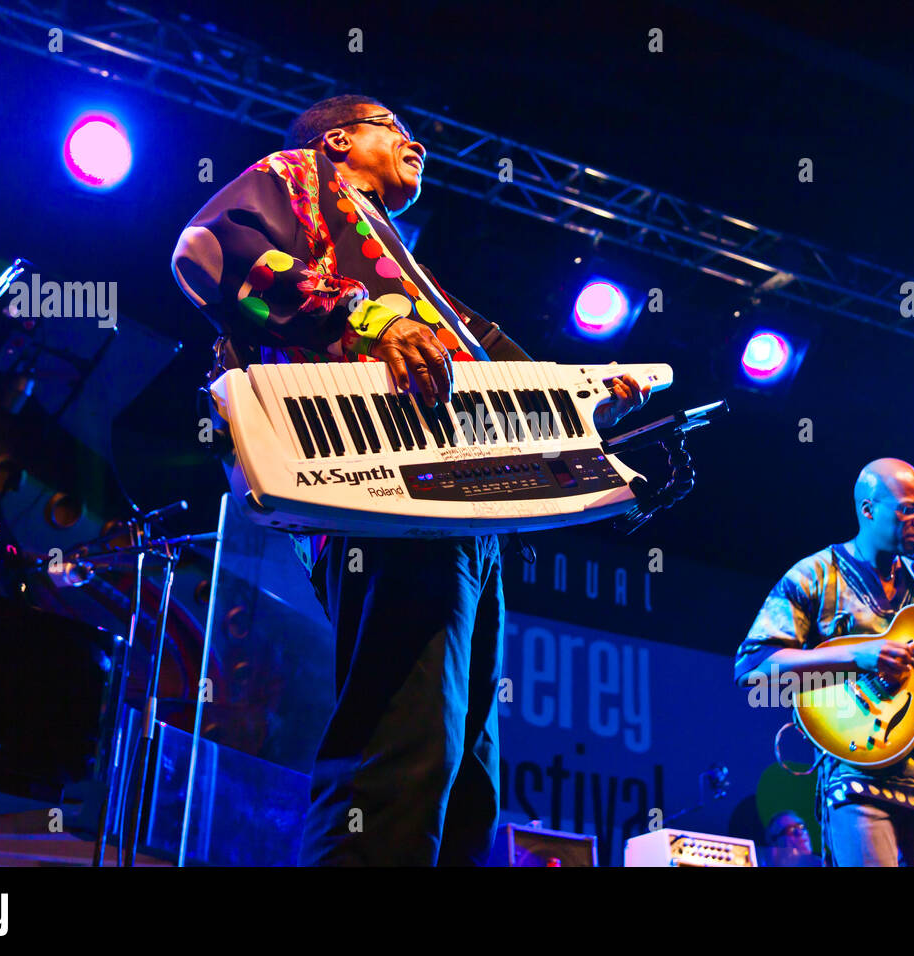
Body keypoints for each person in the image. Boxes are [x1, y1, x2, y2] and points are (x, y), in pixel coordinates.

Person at [171, 94, 648, 864]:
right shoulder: (293, 178)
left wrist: (597, 410)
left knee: (463, 767)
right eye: (392, 126)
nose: (415, 141)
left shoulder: (401, 265)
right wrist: (368, 322)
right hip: (377, 500)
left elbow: (499, 366)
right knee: (403, 742)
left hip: (456, 509)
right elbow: (208, 253)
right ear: (335, 140)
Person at [734, 458, 914, 866]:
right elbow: (753, 671)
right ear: (868, 509)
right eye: (909, 508)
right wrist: (859, 656)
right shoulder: (816, 574)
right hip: (857, 779)